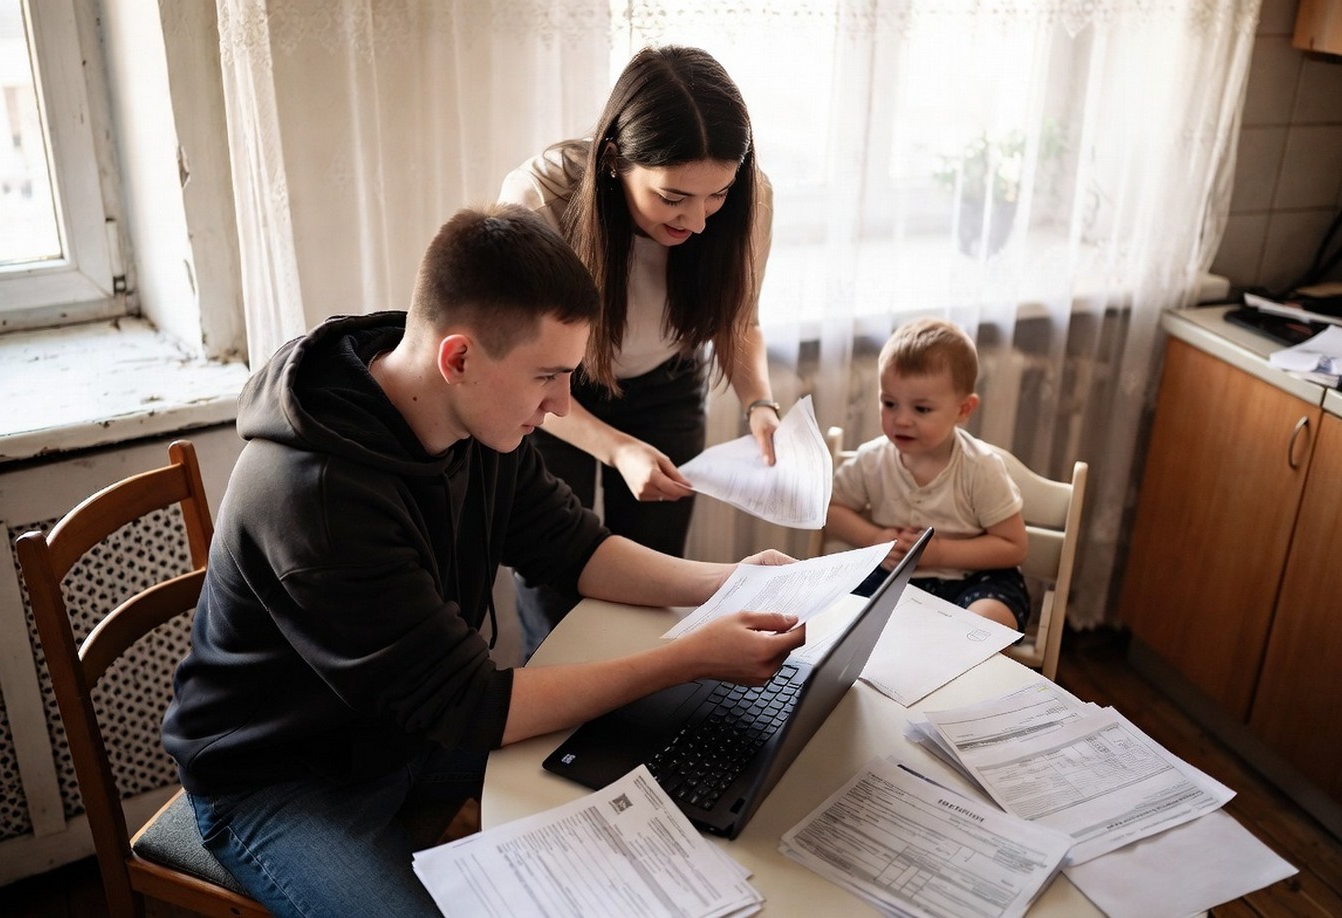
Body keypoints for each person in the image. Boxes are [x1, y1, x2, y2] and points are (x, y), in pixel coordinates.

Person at [161, 204, 804, 918]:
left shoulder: (472, 415)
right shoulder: (315, 500)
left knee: (662, 747)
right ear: (459, 358)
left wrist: (734, 580)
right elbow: (474, 707)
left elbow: (573, 547)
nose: (562, 405)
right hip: (282, 778)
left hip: (405, 733)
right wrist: (687, 655)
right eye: (548, 377)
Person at [499, 45, 780, 657]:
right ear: (612, 161)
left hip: (667, 382)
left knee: (654, 575)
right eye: (673, 197)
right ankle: (556, 715)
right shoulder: (539, 200)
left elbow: (738, 321)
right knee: (553, 576)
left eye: (717, 195)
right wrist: (617, 447)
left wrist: (761, 403)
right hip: (550, 390)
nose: (699, 221)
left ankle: (637, 708)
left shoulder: (747, 203)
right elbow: (518, 372)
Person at [823, 317, 1030, 632]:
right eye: (889, 403)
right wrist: (875, 539)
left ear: (963, 410)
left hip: (972, 579)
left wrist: (941, 553)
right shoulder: (873, 460)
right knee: (837, 612)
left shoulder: (980, 468)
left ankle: (960, 671)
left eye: (921, 409)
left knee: (989, 617)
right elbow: (831, 509)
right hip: (894, 577)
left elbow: (1013, 546)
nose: (901, 420)